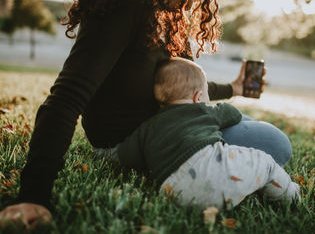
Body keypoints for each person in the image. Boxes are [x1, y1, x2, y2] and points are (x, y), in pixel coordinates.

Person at [0, 0, 292, 229]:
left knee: (258, 132)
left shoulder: (168, 13)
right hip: (138, 141)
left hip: (174, 123)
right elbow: (67, 96)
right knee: (273, 144)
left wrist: (235, 88)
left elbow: (187, 86)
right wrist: (33, 195)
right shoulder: (126, 2)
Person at [97, 57, 300, 209]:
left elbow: (124, 155)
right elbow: (233, 113)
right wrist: (217, 108)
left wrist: (102, 154)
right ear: (198, 96)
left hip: (172, 190)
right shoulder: (204, 111)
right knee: (265, 164)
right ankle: (291, 195)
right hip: (211, 170)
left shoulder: (148, 126)